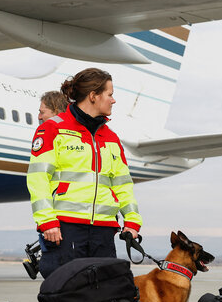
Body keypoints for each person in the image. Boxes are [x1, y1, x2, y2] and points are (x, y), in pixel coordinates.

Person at [27, 67, 142, 279]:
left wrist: (132, 221)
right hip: (65, 229)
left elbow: (123, 184)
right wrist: (47, 222)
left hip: (104, 231)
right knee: (65, 296)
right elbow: (38, 179)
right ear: (93, 96)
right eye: (110, 94)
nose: (113, 100)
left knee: (104, 298)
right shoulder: (53, 129)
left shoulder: (112, 138)